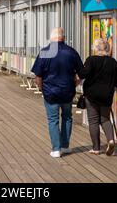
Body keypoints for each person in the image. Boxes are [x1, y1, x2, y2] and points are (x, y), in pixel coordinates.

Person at [32, 28, 84, 158]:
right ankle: (65, 146)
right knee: (67, 117)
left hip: (50, 92)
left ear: (51, 38)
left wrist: (41, 88)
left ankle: (56, 149)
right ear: (63, 38)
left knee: (53, 120)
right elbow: (81, 73)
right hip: (67, 91)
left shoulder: (44, 52)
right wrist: (74, 84)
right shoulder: (71, 52)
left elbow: (38, 76)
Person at [78, 38, 117, 156]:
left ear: (95, 48)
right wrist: (113, 85)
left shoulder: (91, 60)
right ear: (107, 49)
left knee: (93, 120)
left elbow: (82, 74)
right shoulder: (112, 62)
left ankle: (96, 148)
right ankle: (111, 140)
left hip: (91, 95)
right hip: (107, 95)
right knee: (105, 119)